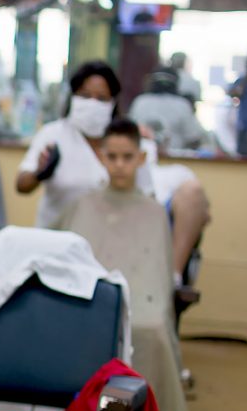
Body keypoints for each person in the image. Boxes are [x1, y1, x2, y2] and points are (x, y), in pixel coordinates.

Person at [56, 120, 192, 411]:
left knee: (152, 331)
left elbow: (157, 279)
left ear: (140, 159)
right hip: (88, 295)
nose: (119, 164)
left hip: (143, 302)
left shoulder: (153, 212)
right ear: (102, 157)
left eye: (127, 156)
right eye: (112, 156)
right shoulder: (82, 205)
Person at [16, 60, 210, 280]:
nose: (92, 104)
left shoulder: (125, 141)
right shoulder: (54, 135)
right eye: (85, 96)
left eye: (101, 98)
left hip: (110, 252)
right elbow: (21, 184)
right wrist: (40, 172)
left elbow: (147, 199)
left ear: (113, 102)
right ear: (72, 97)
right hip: (57, 249)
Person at [128, 67, 208, 151]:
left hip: (145, 157)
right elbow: (193, 139)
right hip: (172, 158)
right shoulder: (182, 105)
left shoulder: (140, 102)